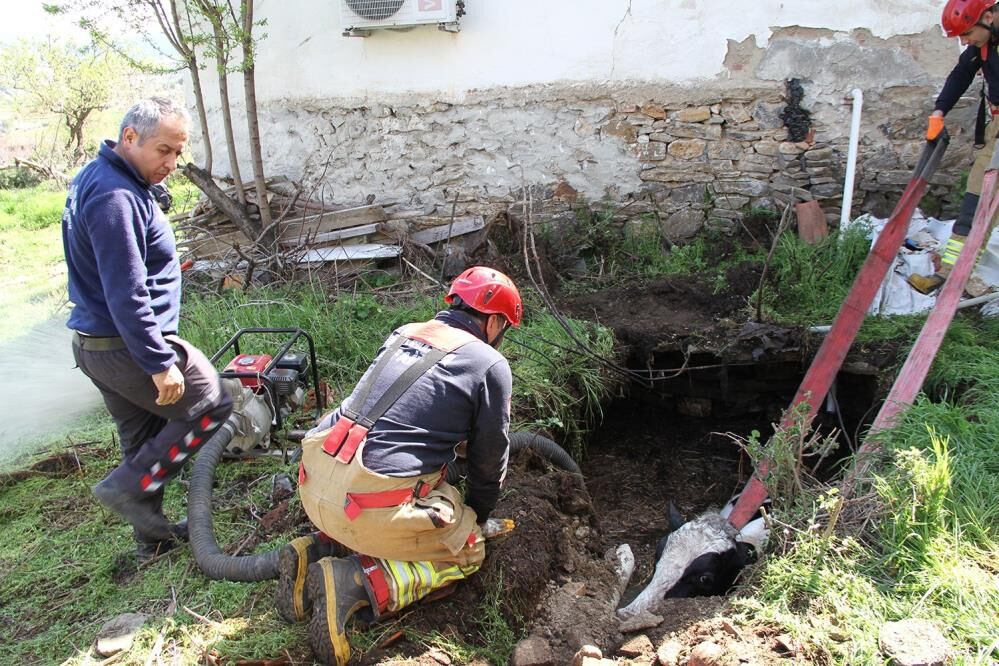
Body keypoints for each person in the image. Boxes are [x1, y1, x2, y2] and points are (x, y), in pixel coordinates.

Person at [276, 266, 522, 666]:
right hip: (368, 503)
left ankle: (314, 550)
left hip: (316, 480)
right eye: (504, 328)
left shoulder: (405, 332)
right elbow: (489, 460)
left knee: (398, 496)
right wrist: (476, 517)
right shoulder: (489, 363)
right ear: (494, 321)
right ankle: (355, 581)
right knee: (467, 549)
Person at [62, 97, 233, 562]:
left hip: (99, 346)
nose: (172, 163)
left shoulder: (101, 179)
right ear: (130, 137)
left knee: (143, 435)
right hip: (127, 345)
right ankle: (127, 488)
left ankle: (150, 539)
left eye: (178, 153)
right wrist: (160, 362)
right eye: (163, 150)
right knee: (213, 403)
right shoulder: (114, 197)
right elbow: (126, 292)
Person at [910, 0, 999, 293]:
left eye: (967, 34)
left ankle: (953, 275)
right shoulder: (984, 41)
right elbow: (962, 74)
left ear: (987, 17)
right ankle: (951, 273)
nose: (964, 41)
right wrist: (939, 111)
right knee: (976, 199)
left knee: (981, 200)